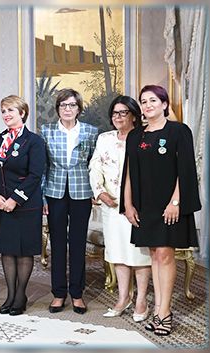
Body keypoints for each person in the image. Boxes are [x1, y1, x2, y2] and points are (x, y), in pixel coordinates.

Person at [120, 85, 200, 336]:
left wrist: (175, 201)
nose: (147, 105)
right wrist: (128, 204)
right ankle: (158, 310)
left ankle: (164, 312)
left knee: (165, 255)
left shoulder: (178, 131)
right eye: (143, 102)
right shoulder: (135, 135)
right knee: (154, 255)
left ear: (164, 104)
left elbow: (185, 170)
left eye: (153, 100)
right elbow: (129, 172)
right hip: (145, 206)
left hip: (170, 205)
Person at [89, 95, 152, 321]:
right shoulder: (105, 138)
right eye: (114, 113)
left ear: (134, 115)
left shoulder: (144, 137)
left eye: (122, 112)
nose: (117, 117)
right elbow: (94, 166)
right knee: (117, 252)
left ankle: (141, 301)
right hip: (111, 205)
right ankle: (123, 297)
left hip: (138, 206)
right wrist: (100, 192)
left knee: (139, 254)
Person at [39, 88, 98, 314]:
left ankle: (77, 293)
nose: (67, 109)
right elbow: (43, 167)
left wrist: (95, 190)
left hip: (82, 192)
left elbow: (94, 164)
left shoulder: (91, 132)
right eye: (63, 105)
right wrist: (43, 195)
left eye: (72, 105)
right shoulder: (46, 131)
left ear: (79, 108)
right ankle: (58, 293)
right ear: (57, 109)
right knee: (58, 244)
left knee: (77, 243)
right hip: (54, 193)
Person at [0, 95, 46, 316]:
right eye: (3, 111)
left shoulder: (34, 141)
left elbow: (35, 175)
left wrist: (14, 199)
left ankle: (21, 296)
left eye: (11, 110)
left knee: (23, 252)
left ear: (22, 113)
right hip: (1, 205)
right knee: (7, 251)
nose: (6, 115)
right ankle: (10, 295)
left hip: (25, 206)